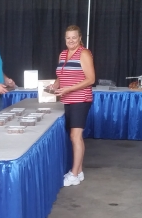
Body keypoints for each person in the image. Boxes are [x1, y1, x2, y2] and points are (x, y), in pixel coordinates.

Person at [50, 25, 95, 186]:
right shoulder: (63, 54)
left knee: (75, 136)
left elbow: (91, 79)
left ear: (80, 38)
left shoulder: (84, 53)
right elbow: (60, 76)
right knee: (74, 137)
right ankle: (80, 171)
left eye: (74, 37)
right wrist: (54, 86)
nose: (70, 40)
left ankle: (74, 174)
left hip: (80, 100)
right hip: (67, 100)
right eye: (68, 37)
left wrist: (69, 89)